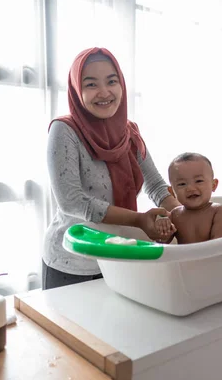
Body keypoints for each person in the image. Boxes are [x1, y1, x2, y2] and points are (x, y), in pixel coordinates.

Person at [43, 47, 180, 290]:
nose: (104, 92)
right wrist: (139, 220)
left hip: (119, 258)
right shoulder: (64, 131)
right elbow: (73, 201)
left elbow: (157, 186)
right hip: (74, 263)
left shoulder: (129, 132)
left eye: (111, 81)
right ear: (77, 90)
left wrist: (185, 215)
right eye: (91, 84)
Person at [155, 152, 222, 244]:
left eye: (198, 181)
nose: (190, 188)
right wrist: (162, 230)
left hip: (211, 258)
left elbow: (219, 246)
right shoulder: (174, 215)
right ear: (172, 192)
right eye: (182, 184)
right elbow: (161, 245)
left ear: (213, 185)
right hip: (184, 258)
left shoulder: (218, 211)